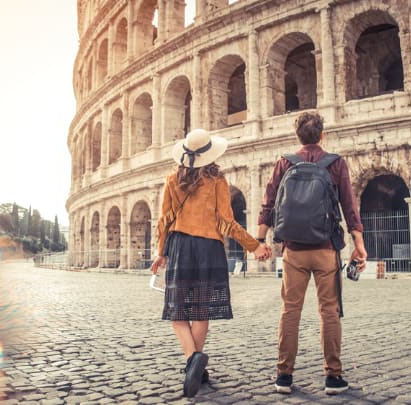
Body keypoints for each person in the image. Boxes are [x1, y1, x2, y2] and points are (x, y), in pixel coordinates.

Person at [151, 128, 271, 398]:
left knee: (177, 311)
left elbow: (164, 222)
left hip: (181, 248)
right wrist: (255, 246)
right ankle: (197, 364)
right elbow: (227, 223)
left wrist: (162, 252)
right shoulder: (218, 181)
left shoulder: (172, 180)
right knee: (201, 312)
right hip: (209, 249)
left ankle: (192, 359)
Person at [256, 111, 368, 395]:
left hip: (292, 249)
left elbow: (268, 203)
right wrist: (359, 244)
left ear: (297, 136)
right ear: (322, 135)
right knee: (329, 311)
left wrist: (260, 239)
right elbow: (349, 207)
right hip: (326, 249)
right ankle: (333, 377)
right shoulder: (336, 163)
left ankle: (283, 376)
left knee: (290, 311)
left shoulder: (284, 162)